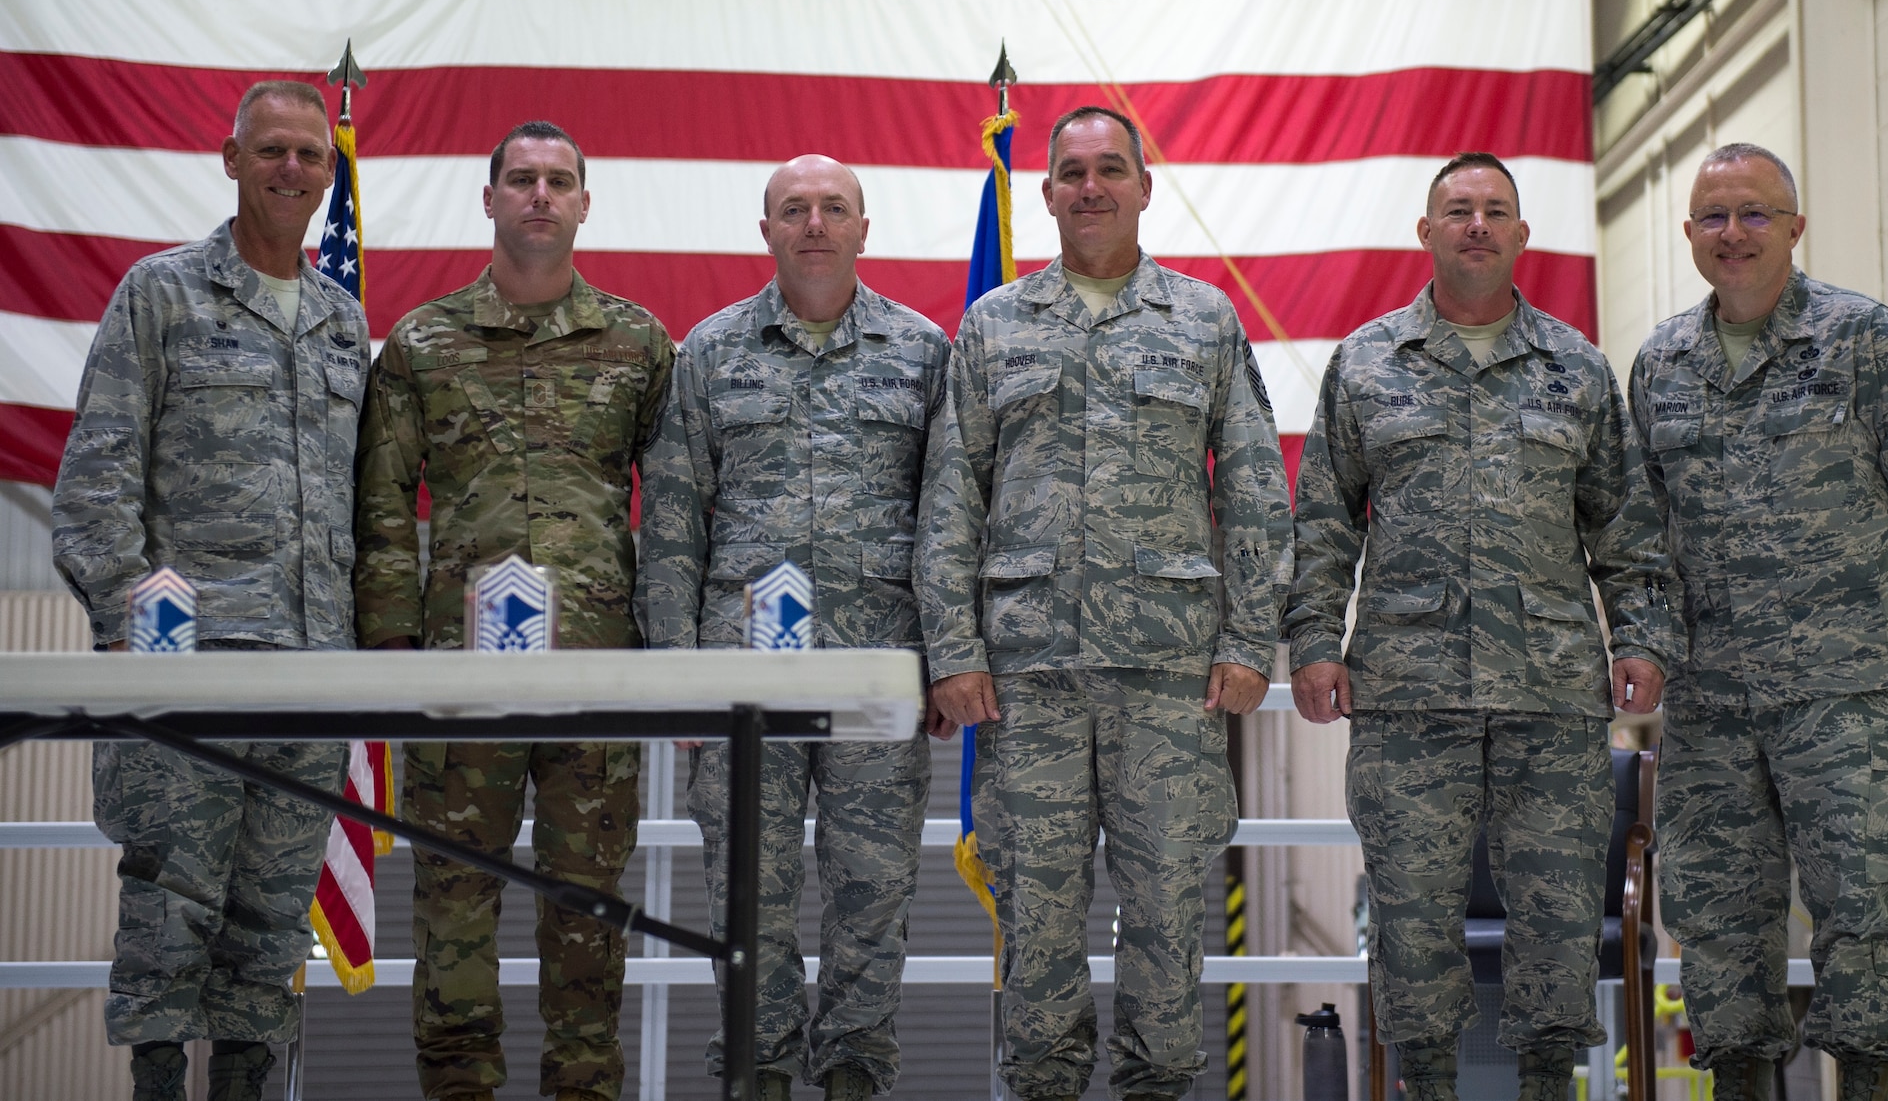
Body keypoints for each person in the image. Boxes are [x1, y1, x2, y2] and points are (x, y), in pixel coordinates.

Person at [1284, 152, 1679, 1101]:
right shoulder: (1368, 363)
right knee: (1413, 942)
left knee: (1553, 937)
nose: (1476, 225)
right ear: (1425, 234)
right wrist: (1311, 643)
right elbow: (1324, 518)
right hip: (1407, 699)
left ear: (1520, 235)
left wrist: (1640, 637)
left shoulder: (1577, 369)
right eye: (1456, 210)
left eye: (1495, 210)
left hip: (1550, 701)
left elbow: (1623, 525)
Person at [917, 106, 1292, 1101]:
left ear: (1141, 185)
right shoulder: (993, 324)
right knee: (1037, 931)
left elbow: (1254, 486)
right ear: (1043, 192)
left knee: (1168, 926)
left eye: (1109, 169)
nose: (1090, 187)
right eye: (1071, 171)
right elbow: (952, 492)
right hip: (1024, 679)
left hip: (1168, 680)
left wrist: (1252, 639)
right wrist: (952, 645)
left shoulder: (1203, 318)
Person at [1627, 143, 1888, 1101]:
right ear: (1690, 232)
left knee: (1861, 905)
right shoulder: (1659, 366)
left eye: (1753, 213)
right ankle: (1740, 1082)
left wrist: (1847, 594)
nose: (1732, 234)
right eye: (1713, 217)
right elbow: (1645, 529)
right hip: (1713, 695)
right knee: (1717, 912)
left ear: (1794, 225)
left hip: (1847, 688)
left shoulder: (1869, 341)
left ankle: (1863, 1089)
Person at [50, 80, 370, 1101]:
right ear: (230, 159)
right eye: (270, 150)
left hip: (313, 670)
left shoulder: (339, 321)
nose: (291, 170)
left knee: (272, 914)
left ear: (330, 172)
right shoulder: (163, 292)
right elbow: (98, 476)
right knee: (168, 905)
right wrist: (130, 628)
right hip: (188, 660)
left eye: (309, 156)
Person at [352, 121, 673, 1101]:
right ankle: (459, 1088)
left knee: (586, 903)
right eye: (521, 179)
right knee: (453, 897)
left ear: (583, 203)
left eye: (558, 180)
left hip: (595, 670)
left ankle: (583, 1088)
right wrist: (391, 643)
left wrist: (667, 650)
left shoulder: (637, 343)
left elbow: (677, 506)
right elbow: (380, 504)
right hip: (460, 676)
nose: (540, 194)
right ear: (488, 199)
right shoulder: (421, 342)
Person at [640, 154, 948, 1101]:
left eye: (833, 209)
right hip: (743, 686)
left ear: (865, 229)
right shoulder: (712, 353)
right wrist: (674, 672)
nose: (814, 223)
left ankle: (855, 1073)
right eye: (794, 210)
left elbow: (951, 519)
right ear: (765, 230)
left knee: (872, 894)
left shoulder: (925, 352)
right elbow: (672, 521)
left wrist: (950, 661)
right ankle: (757, 1073)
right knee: (748, 894)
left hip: (877, 675)